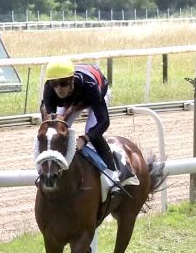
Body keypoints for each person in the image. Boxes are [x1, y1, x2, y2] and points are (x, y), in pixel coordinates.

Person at [40, 58, 139, 190]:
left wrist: (84, 139)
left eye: (63, 83)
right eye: (55, 84)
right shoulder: (49, 90)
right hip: (72, 100)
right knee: (55, 131)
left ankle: (114, 174)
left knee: (92, 131)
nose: (59, 89)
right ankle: (48, 169)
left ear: (72, 80)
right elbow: (51, 126)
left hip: (95, 96)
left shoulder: (90, 86)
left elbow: (104, 122)